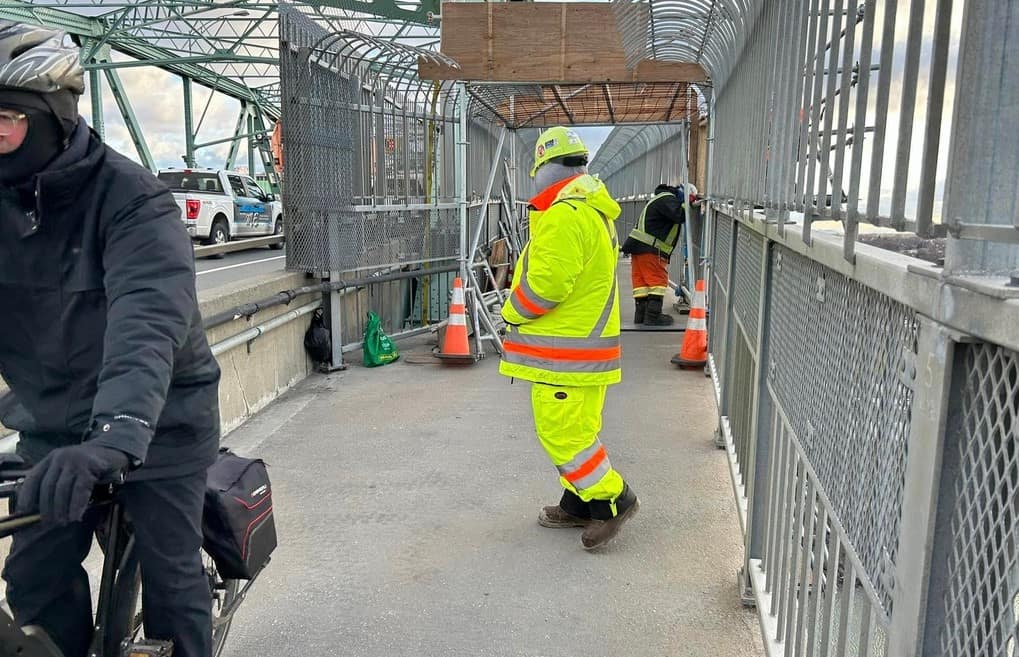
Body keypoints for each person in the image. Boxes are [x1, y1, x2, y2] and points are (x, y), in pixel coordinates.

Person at [0, 22, 220, 657]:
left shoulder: (134, 204)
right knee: (33, 582)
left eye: (6, 119)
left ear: (55, 115)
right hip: (51, 422)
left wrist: (115, 435)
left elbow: (147, 325)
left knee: (173, 587)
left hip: (161, 423)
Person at [500, 126, 639, 551]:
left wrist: (510, 310)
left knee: (565, 435)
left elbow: (547, 285)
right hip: (579, 354)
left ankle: (612, 499)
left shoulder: (564, 215)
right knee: (578, 429)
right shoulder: (588, 209)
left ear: (545, 168)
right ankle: (578, 502)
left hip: (565, 356)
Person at [620, 184, 686, 326]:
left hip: (639, 247)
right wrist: (687, 203)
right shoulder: (667, 198)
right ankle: (653, 317)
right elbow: (680, 215)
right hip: (651, 248)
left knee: (641, 282)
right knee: (657, 280)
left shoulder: (658, 199)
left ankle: (641, 316)